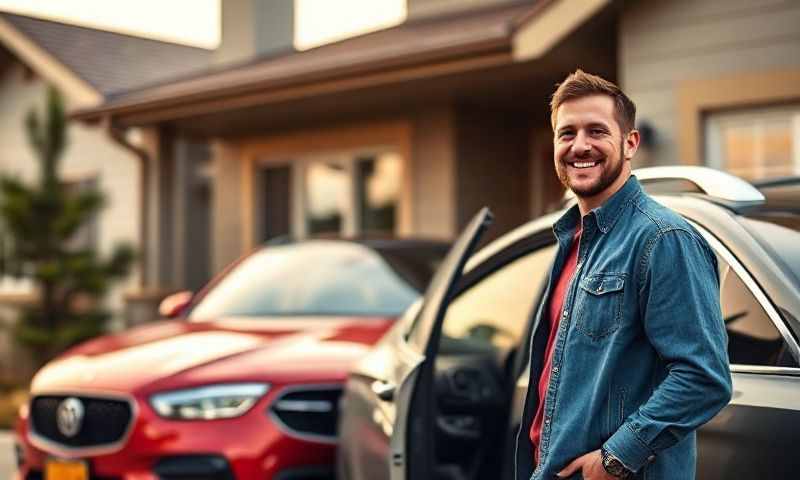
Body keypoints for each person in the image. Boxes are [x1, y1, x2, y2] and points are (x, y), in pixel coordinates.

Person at [514, 70, 732, 480]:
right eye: (567, 133)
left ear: (630, 142)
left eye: (597, 131)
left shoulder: (663, 238)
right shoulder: (572, 239)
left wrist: (615, 459)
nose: (580, 146)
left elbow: (704, 377)